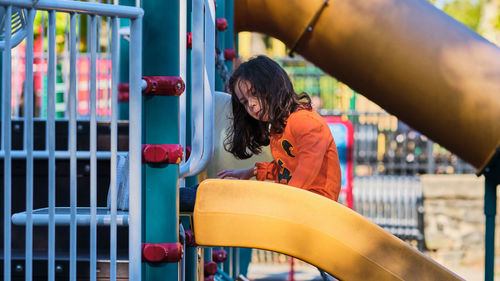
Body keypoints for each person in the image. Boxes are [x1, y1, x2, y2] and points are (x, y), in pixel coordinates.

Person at [217, 55, 341, 201]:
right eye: (244, 102)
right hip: (300, 203)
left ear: (273, 86)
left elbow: (306, 170)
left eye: (254, 93)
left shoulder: (305, 122)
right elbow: (286, 169)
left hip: (317, 205)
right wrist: (252, 172)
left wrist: (282, 203)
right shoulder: (279, 128)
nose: (250, 104)